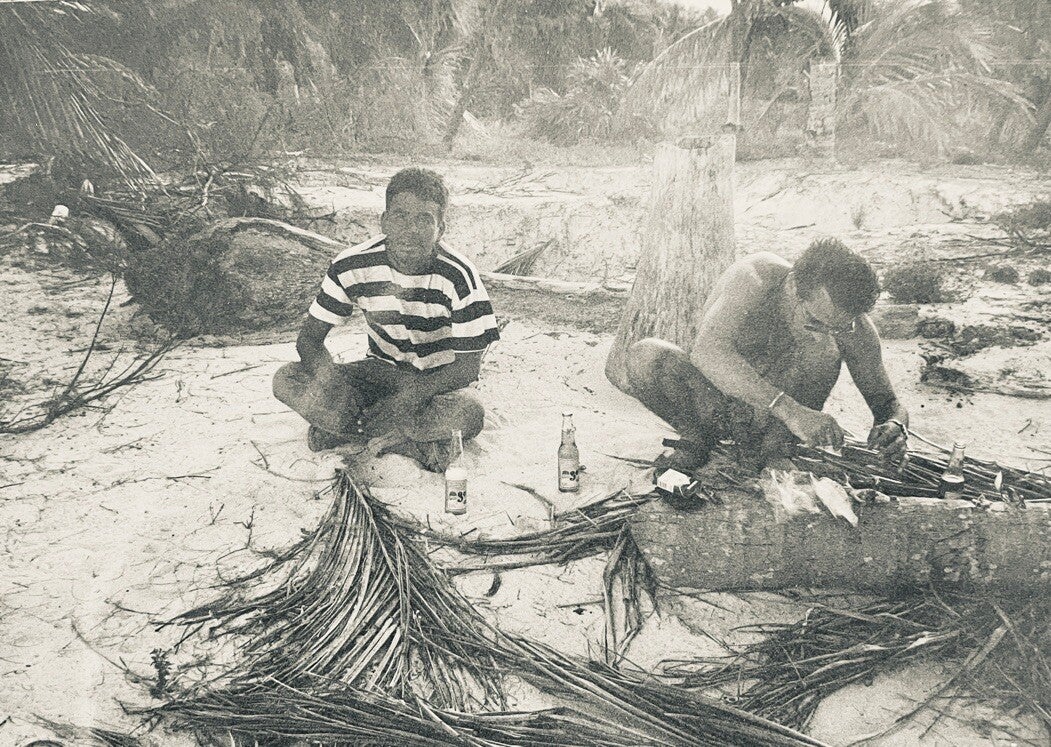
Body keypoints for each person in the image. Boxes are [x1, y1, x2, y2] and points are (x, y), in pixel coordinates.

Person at [272, 168, 500, 472]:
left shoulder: (459, 275)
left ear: (440, 229)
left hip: (436, 383)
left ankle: (346, 432)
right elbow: (309, 340)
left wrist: (407, 399)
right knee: (287, 378)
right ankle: (408, 441)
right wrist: (334, 386)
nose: (410, 230)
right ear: (384, 221)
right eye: (400, 216)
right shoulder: (350, 265)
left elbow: (467, 368)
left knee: (469, 413)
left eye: (424, 220)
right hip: (378, 371)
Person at [625, 238, 908, 468]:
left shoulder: (855, 327)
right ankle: (696, 438)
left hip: (775, 428)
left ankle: (775, 450)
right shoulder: (754, 278)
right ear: (793, 285)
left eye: (840, 327)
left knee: (825, 352)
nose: (821, 333)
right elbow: (707, 352)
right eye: (814, 321)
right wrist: (791, 411)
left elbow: (888, 403)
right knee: (644, 356)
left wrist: (895, 427)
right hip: (714, 402)